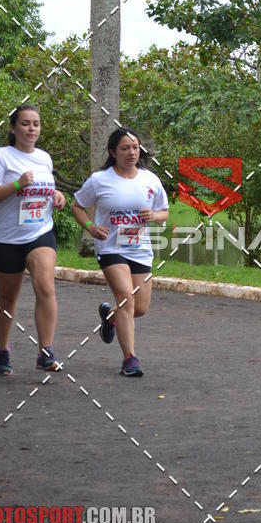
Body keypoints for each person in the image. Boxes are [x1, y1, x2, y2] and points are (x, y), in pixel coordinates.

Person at [71, 127, 169, 377]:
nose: (131, 152)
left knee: (140, 307)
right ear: (113, 152)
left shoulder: (150, 180)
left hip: (140, 249)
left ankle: (110, 317)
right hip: (111, 248)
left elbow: (164, 212)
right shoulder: (100, 180)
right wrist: (91, 228)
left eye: (135, 147)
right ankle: (130, 359)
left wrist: (154, 215)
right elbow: (77, 206)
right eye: (125, 148)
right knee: (126, 297)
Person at [0, 105, 66, 375]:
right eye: (26, 124)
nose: (31, 129)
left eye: (36, 124)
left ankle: (46, 352)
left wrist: (57, 196)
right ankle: (3, 349)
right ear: (13, 128)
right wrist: (17, 184)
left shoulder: (44, 158)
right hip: (5, 239)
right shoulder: (0, 157)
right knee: (8, 298)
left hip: (39, 233)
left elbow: (45, 190)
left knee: (46, 287)